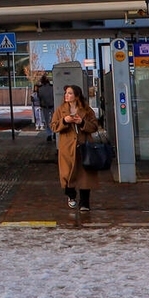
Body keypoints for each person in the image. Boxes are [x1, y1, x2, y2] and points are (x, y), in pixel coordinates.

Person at [51, 84, 102, 212]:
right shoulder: (60, 110)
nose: (66, 96)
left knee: (85, 175)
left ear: (76, 96)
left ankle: (85, 202)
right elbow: (53, 126)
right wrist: (65, 121)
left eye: (70, 93)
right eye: (66, 93)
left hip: (84, 146)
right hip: (67, 147)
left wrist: (82, 123)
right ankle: (71, 195)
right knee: (67, 173)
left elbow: (95, 126)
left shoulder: (87, 110)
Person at [36, 75, 56, 142]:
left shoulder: (40, 89)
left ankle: (49, 134)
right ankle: (55, 133)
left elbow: (39, 97)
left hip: (45, 106)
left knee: (47, 122)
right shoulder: (52, 87)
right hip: (52, 105)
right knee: (54, 120)